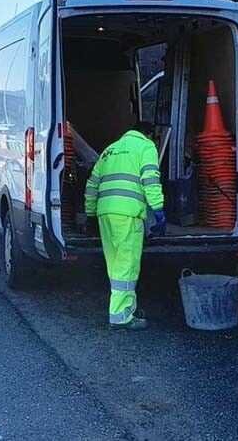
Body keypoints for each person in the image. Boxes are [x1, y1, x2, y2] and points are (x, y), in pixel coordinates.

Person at [84, 122, 166, 330]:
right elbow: (150, 179)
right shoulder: (146, 147)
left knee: (115, 263)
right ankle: (120, 317)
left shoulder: (109, 150)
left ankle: (128, 307)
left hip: (105, 214)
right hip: (127, 215)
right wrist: (158, 209)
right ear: (148, 134)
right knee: (127, 265)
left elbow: (92, 184)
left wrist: (90, 213)